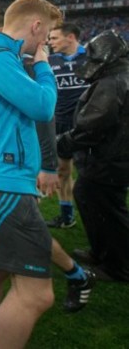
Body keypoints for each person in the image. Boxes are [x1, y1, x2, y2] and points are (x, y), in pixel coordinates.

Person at [0, 11, 94, 315]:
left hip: (17, 165)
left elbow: (43, 115)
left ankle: (76, 274)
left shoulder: (17, 61)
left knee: (28, 230)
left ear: (1, 30)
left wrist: (48, 164)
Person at [0, 0, 61, 348]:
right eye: (45, 33)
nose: (44, 42)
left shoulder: (0, 56)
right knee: (37, 295)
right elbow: (42, 105)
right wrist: (44, 66)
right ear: (35, 25)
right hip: (2, 182)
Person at [58, 30, 129, 282]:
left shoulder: (112, 83)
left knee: (107, 208)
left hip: (109, 160)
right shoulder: (118, 77)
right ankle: (102, 252)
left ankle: (116, 265)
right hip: (112, 157)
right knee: (90, 198)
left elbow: (91, 127)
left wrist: (60, 144)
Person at [46, 23, 89, 229]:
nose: (50, 42)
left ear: (70, 37)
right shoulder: (50, 61)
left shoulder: (91, 57)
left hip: (88, 124)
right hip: (61, 122)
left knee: (89, 175)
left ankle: (96, 217)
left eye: (54, 38)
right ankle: (67, 215)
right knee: (63, 170)